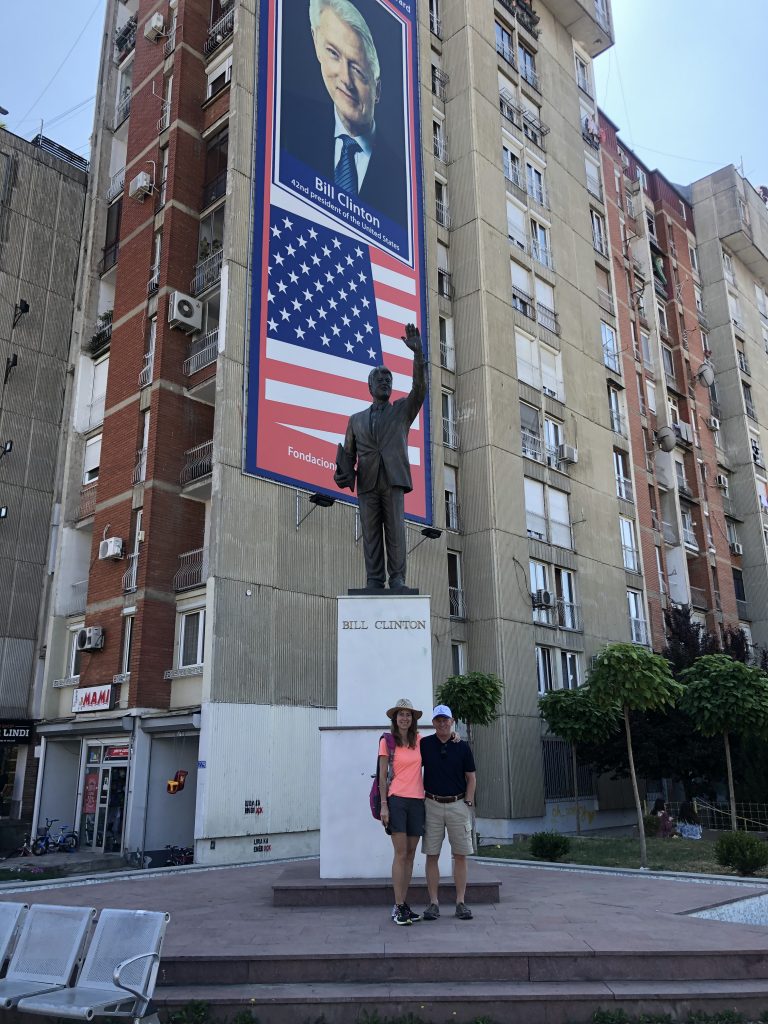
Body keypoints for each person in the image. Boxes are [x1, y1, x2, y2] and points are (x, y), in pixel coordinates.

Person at [279, 0, 407, 228]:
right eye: (333, 53)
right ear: (316, 42)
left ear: (378, 90)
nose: (346, 79)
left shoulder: (401, 179)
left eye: (358, 70)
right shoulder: (287, 124)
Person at [334, 324, 426, 590]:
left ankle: (397, 579)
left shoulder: (402, 410)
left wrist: (417, 354)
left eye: (389, 380)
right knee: (371, 534)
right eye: (380, 379)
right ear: (370, 386)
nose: (385, 382)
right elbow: (348, 455)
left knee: (395, 531)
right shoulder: (356, 420)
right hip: (367, 482)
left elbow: (419, 389)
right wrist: (342, 473)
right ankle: (374, 580)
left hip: (393, 480)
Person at [419, 705, 476, 921]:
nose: (442, 723)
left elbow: (471, 777)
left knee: (460, 855)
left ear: (452, 721)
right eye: (438, 720)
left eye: (446, 720)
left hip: (457, 804)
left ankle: (460, 901)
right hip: (431, 804)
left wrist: (467, 802)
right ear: (433, 722)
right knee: (431, 854)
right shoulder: (424, 744)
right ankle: (433, 903)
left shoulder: (462, 746)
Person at [379, 698, 425, 926]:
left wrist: (455, 736)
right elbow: (382, 776)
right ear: (395, 718)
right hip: (396, 801)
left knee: (411, 854)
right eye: (401, 714)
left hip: (418, 801)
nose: (405, 718)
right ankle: (397, 906)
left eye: (408, 714)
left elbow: (439, 746)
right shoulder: (387, 741)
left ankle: (403, 903)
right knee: (400, 853)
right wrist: (384, 805)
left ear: (413, 719)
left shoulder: (420, 740)